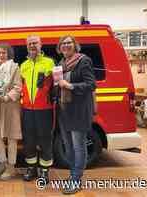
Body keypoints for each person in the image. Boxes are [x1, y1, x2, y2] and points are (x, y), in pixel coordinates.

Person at [55, 35, 96, 194]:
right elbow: (59, 85)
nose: (65, 46)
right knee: (69, 147)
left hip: (79, 110)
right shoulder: (61, 64)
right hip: (64, 110)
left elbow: (91, 84)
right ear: (60, 47)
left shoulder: (83, 61)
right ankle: (74, 174)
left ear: (74, 45)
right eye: (63, 44)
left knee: (79, 146)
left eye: (68, 43)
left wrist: (70, 85)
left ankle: (76, 179)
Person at [20, 35, 55, 183]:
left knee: (45, 140)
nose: (32, 46)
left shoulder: (49, 62)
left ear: (41, 45)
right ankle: (31, 168)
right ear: (27, 46)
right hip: (27, 109)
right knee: (29, 140)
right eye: (30, 44)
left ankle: (45, 170)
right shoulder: (23, 65)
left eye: (35, 43)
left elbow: (57, 84)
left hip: (44, 109)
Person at [0, 43, 22, 180]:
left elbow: (18, 87)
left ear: (9, 54)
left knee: (11, 136)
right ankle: (3, 163)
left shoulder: (14, 67)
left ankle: (11, 167)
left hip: (10, 104)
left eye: (4, 53)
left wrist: (7, 97)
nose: (1, 55)